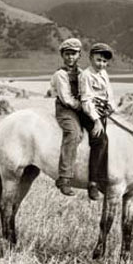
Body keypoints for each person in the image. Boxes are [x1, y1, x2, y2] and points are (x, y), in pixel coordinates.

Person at [79, 43, 116, 201]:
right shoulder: (86, 76)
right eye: (98, 60)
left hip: (102, 111)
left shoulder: (104, 74)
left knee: (109, 140)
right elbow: (86, 101)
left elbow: (109, 93)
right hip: (89, 112)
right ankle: (93, 183)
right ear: (91, 58)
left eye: (104, 62)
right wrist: (96, 121)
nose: (101, 64)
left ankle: (104, 178)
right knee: (99, 141)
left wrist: (112, 108)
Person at [50, 38, 83, 196]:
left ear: (79, 55)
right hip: (66, 110)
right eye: (67, 54)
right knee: (74, 133)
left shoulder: (82, 73)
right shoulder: (60, 75)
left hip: (81, 107)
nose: (70, 57)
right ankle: (64, 178)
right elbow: (66, 99)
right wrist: (82, 106)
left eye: (74, 54)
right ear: (63, 55)